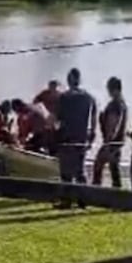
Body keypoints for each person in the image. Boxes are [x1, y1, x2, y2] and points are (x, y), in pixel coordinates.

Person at [54, 68, 97, 209]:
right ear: (79, 80)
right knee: (80, 171)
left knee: (66, 172)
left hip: (67, 138)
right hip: (82, 138)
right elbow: (93, 120)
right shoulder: (89, 98)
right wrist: (91, 138)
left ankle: (66, 200)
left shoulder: (64, 97)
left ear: (69, 80)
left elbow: (57, 120)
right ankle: (83, 200)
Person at [92, 77, 128, 188]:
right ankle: (117, 193)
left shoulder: (115, 104)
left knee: (98, 166)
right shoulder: (122, 104)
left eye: (109, 89)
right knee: (114, 169)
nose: (108, 92)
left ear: (114, 89)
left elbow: (113, 124)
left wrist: (108, 142)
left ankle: (95, 191)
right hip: (118, 142)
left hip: (111, 143)